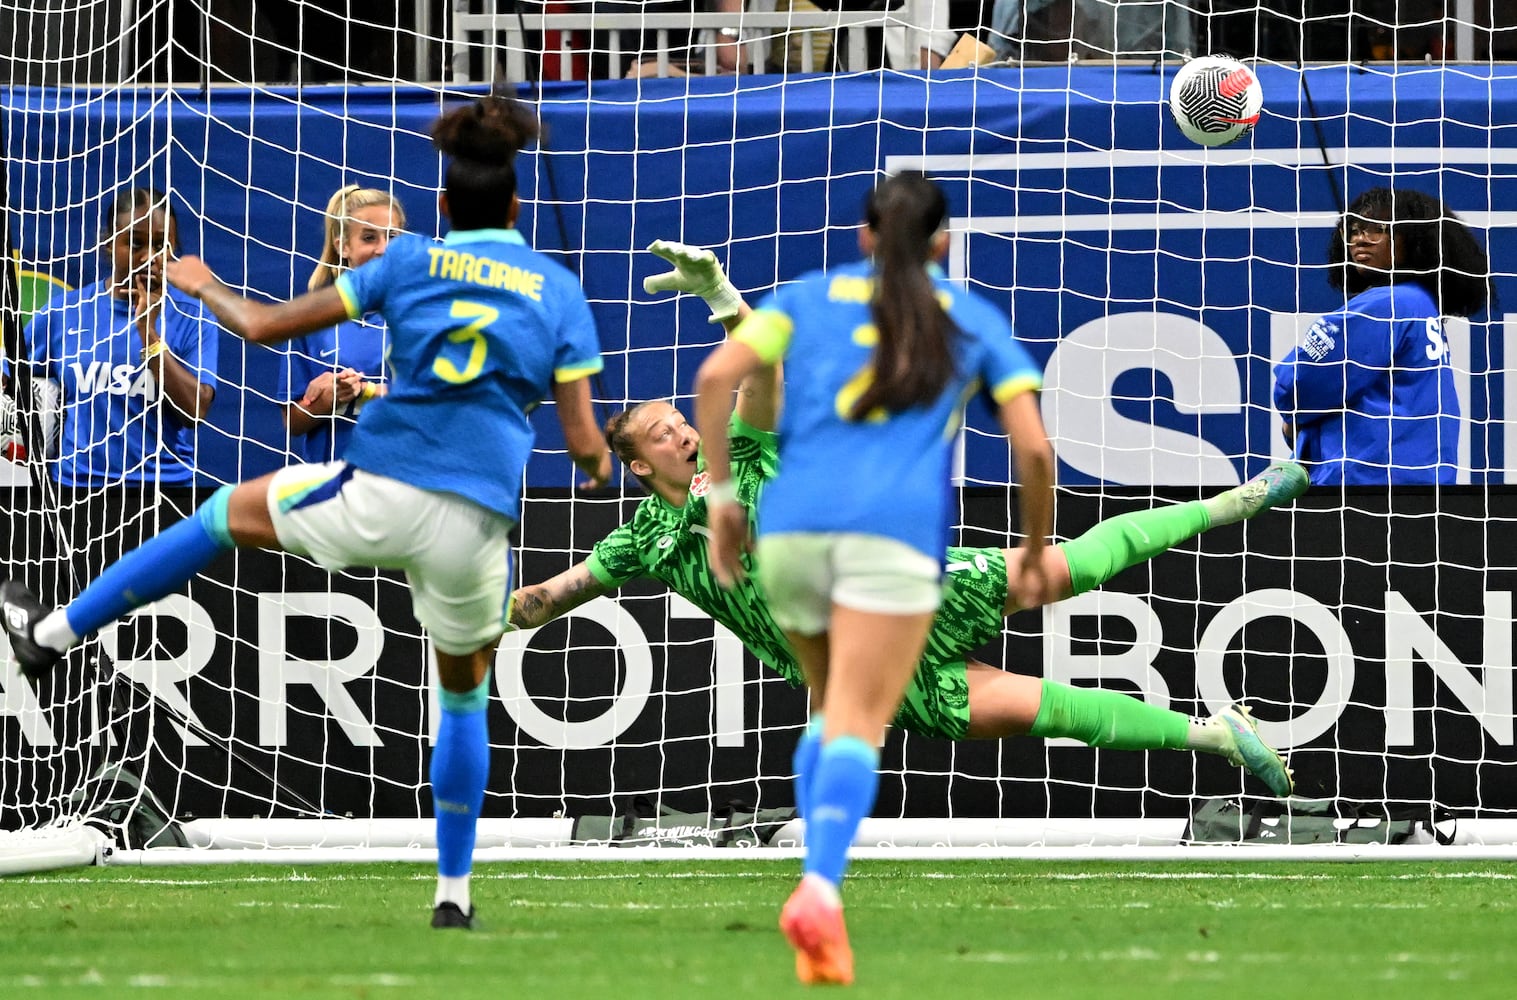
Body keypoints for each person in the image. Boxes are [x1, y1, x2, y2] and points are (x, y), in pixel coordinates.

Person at [0, 95, 613, 930]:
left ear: (438, 209)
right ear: (515, 205)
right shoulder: (557, 289)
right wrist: (599, 460)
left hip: (381, 489)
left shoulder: (408, 264)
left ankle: (52, 636)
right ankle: (453, 893)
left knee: (222, 513)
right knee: (463, 697)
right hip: (476, 522)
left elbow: (260, 326)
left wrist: (202, 281)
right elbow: (580, 444)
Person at [515, 242, 1299, 781]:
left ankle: (1230, 501)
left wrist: (722, 298)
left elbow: (760, 372)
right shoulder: (641, 541)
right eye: (663, 433)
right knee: (1043, 711)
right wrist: (490, 606)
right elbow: (553, 597)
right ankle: (1218, 738)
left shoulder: (745, 457)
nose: (684, 431)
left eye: (680, 420)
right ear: (636, 463)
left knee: (1075, 567)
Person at [687, 171, 1051, 985]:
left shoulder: (805, 297)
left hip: (788, 530)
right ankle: (818, 887)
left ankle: (819, 889)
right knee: (858, 715)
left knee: (825, 703)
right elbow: (1031, 448)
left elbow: (714, 379)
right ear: (941, 244)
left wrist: (718, 498)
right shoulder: (967, 317)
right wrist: (1030, 547)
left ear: (861, 237)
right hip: (891, 536)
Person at [1273, 187, 1493, 486]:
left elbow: (1301, 389)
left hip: (1365, 486)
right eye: (1354, 229)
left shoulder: (1386, 303)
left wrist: (1294, 417)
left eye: (1378, 228)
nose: (1360, 238)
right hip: (1419, 488)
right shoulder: (1421, 303)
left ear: (1415, 240)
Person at [22, 187, 219, 491]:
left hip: (163, 493)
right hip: (76, 491)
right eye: (136, 243)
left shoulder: (193, 316)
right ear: (109, 244)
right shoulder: (65, 312)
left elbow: (195, 411)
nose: (150, 257)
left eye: (161, 245)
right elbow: (11, 371)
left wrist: (148, 332)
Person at [279, 185, 404, 462]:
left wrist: (363, 390)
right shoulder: (310, 319)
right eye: (369, 238)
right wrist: (329, 398)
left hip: (406, 484)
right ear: (343, 245)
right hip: (331, 486)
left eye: (392, 237)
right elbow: (293, 422)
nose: (383, 249)